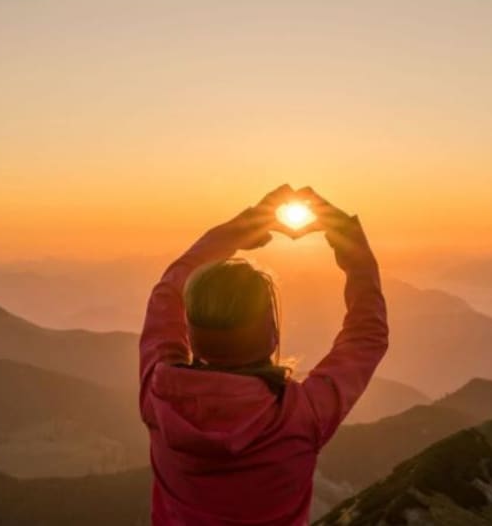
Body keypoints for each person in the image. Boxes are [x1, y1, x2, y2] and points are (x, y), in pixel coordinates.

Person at [138, 185, 389, 525]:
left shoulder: (159, 396)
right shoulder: (301, 415)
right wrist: (350, 241)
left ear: (191, 331)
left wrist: (240, 228)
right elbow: (367, 334)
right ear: (271, 335)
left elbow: (167, 291)